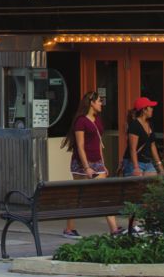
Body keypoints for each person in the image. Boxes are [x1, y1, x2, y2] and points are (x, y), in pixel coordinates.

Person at [60, 90, 123, 239]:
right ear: (91, 103)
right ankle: (69, 228)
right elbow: (80, 146)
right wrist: (87, 167)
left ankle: (114, 229)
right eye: (99, 101)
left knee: (104, 194)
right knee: (79, 196)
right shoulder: (81, 121)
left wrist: (103, 164)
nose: (101, 104)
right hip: (82, 164)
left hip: (97, 162)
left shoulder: (97, 119)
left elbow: (99, 143)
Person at [121, 96, 164, 176]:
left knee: (154, 181)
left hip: (148, 163)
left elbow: (152, 146)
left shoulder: (150, 124)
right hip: (135, 163)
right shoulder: (135, 125)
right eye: (150, 107)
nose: (152, 109)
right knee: (138, 183)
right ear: (144, 110)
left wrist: (159, 165)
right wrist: (136, 167)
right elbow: (133, 149)